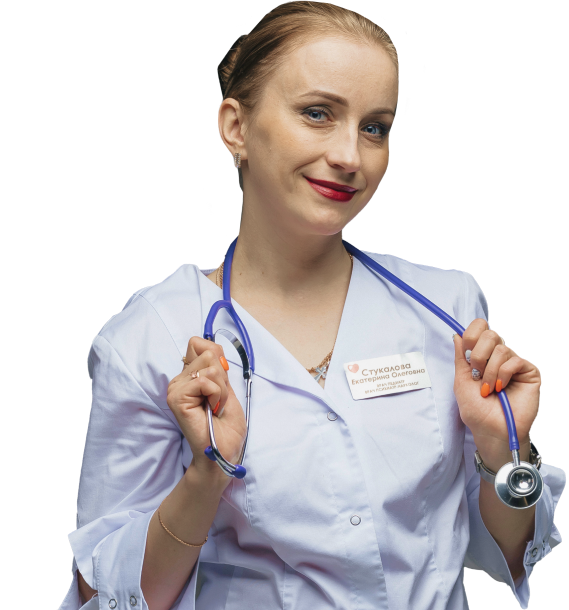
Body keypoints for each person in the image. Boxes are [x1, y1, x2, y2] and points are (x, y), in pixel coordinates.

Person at [59, 2, 565, 609]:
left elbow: (504, 552)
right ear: (235, 127)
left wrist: (502, 446)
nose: (351, 156)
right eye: (318, 113)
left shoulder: (449, 307)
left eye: (375, 127)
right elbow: (103, 594)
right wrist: (208, 474)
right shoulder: (150, 336)